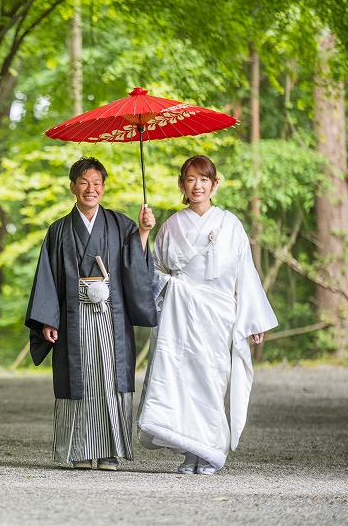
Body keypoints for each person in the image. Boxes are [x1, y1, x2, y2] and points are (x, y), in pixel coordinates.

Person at [138, 155, 278, 475]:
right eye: (190, 179)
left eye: (204, 179)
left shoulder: (231, 224)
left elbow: (246, 273)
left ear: (215, 184)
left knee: (213, 381)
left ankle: (211, 450)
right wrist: (172, 283)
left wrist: (254, 320)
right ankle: (190, 452)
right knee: (182, 380)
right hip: (180, 314)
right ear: (182, 185)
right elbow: (154, 271)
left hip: (218, 314)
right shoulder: (171, 225)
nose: (197, 185)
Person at [25, 156, 158, 471]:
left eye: (97, 183)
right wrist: (48, 319)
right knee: (79, 379)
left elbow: (135, 263)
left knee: (110, 378)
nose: (90, 189)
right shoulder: (59, 230)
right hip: (73, 315)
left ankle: (110, 451)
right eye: (84, 182)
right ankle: (81, 450)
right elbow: (48, 275)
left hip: (112, 314)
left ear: (103, 187)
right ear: (72, 186)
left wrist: (143, 231)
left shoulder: (121, 224)